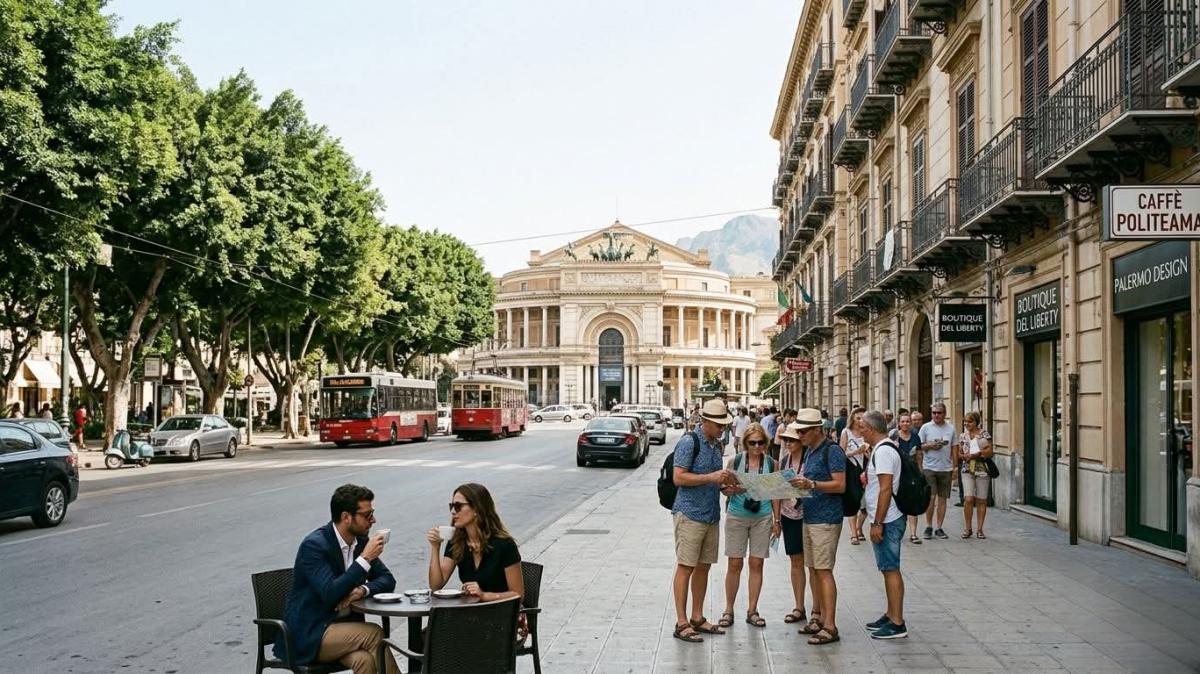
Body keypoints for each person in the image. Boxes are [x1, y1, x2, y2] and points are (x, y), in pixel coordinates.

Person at [277, 484, 399, 674]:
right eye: (367, 515)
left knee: (365, 661)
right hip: (311, 632)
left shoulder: (360, 542)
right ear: (346, 517)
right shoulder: (315, 546)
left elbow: (387, 580)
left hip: (342, 629)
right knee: (374, 634)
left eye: (372, 513)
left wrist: (361, 591)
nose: (373, 520)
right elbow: (330, 594)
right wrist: (365, 559)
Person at [670, 399, 738, 643]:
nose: (723, 429)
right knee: (686, 566)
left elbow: (714, 482)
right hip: (690, 513)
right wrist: (710, 477)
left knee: (704, 566)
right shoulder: (690, 442)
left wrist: (728, 488)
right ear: (705, 421)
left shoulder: (716, 446)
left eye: (724, 425)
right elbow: (679, 477)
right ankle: (681, 621)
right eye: (719, 425)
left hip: (710, 513)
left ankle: (697, 616)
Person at [792, 408, 847, 645]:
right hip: (810, 516)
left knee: (824, 571)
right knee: (813, 569)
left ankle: (831, 625)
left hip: (826, 519)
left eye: (803, 431)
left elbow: (840, 485)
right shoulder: (810, 451)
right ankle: (819, 617)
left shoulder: (832, 450)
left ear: (817, 430)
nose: (800, 435)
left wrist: (811, 484)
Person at [718, 423, 779, 629]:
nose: (756, 446)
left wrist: (777, 521)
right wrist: (735, 489)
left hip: (762, 517)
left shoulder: (771, 463)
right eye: (752, 443)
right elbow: (724, 489)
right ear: (745, 443)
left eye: (760, 443)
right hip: (737, 515)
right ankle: (728, 609)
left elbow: (775, 494)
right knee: (734, 563)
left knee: (757, 563)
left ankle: (753, 610)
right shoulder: (735, 461)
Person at [428, 483, 524, 603]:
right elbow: (436, 586)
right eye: (451, 506)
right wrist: (435, 547)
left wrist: (484, 596)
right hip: (471, 612)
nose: (453, 511)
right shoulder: (457, 541)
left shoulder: (504, 544)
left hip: (501, 613)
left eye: (458, 506)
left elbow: (518, 595)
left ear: (476, 509)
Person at [861, 410, 908, 639]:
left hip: (888, 518)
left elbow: (886, 488)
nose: (860, 432)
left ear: (871, 428)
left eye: (862, 428)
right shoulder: (882, 449)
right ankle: (890, 614)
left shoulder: (884, 452)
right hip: (886, 517)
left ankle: (897, 622)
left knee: (891, 569)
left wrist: (877, 522)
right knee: (886, 568)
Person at [776, 422, 811, 632]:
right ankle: (799, 606)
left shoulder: (810, 458)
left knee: (814, 564)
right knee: (796, 560)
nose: (788, 443)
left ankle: (818, 609)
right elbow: (778, 491)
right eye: (786, 440)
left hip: (809, 515)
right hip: (789, 515)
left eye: (792, 440)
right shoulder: (784, 461)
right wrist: (776, 520)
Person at [918, 403, 956, 540]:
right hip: (929, 467)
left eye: (939, 413)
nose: (936, 415)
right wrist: (929, 445)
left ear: (944, 413)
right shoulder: (925, 428)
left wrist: (955, 467)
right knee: (931, 497)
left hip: (946, 468)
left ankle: (939, 527)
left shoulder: (951, 428)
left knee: (942, 499)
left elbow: (954, 447)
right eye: (934, 413)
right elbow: (919, 447)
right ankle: (928, 526)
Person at [958, 411, 993, 539]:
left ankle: (980, 529)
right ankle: (968, 528)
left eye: (970, 421)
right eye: (965, 421)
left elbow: (989, 452)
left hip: (982, 469)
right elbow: (959, 453)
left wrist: (976, 454)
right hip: (967, 469)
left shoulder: (984, 434)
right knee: (968, 499)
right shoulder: (963, 436)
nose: (967, 424)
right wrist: (963, 456)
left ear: (976, 422)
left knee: (982, 499)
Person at [891, 413, 923, 545]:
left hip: (912, 474)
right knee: (898, 504)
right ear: (899, 423)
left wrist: (921, 472)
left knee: (913, 503)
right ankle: (897, 531)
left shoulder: (916, 437)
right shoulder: (894, 437)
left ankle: (913, 534)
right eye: (903, 421)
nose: (905, 424)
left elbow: (919, 456)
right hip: (898, 474)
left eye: (907, 421)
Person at [841, 407, 869, 545]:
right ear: (852, 418)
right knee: (853, 500)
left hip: (866, 468)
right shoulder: (846, 432)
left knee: (866, 502)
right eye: (858, 418)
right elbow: (840, 454)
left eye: (863, 418)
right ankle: (854, 533)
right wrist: (856, 451)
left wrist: (867, 453)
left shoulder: (867, 433)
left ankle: (859, 528)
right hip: (851, 469)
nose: (860, 421)